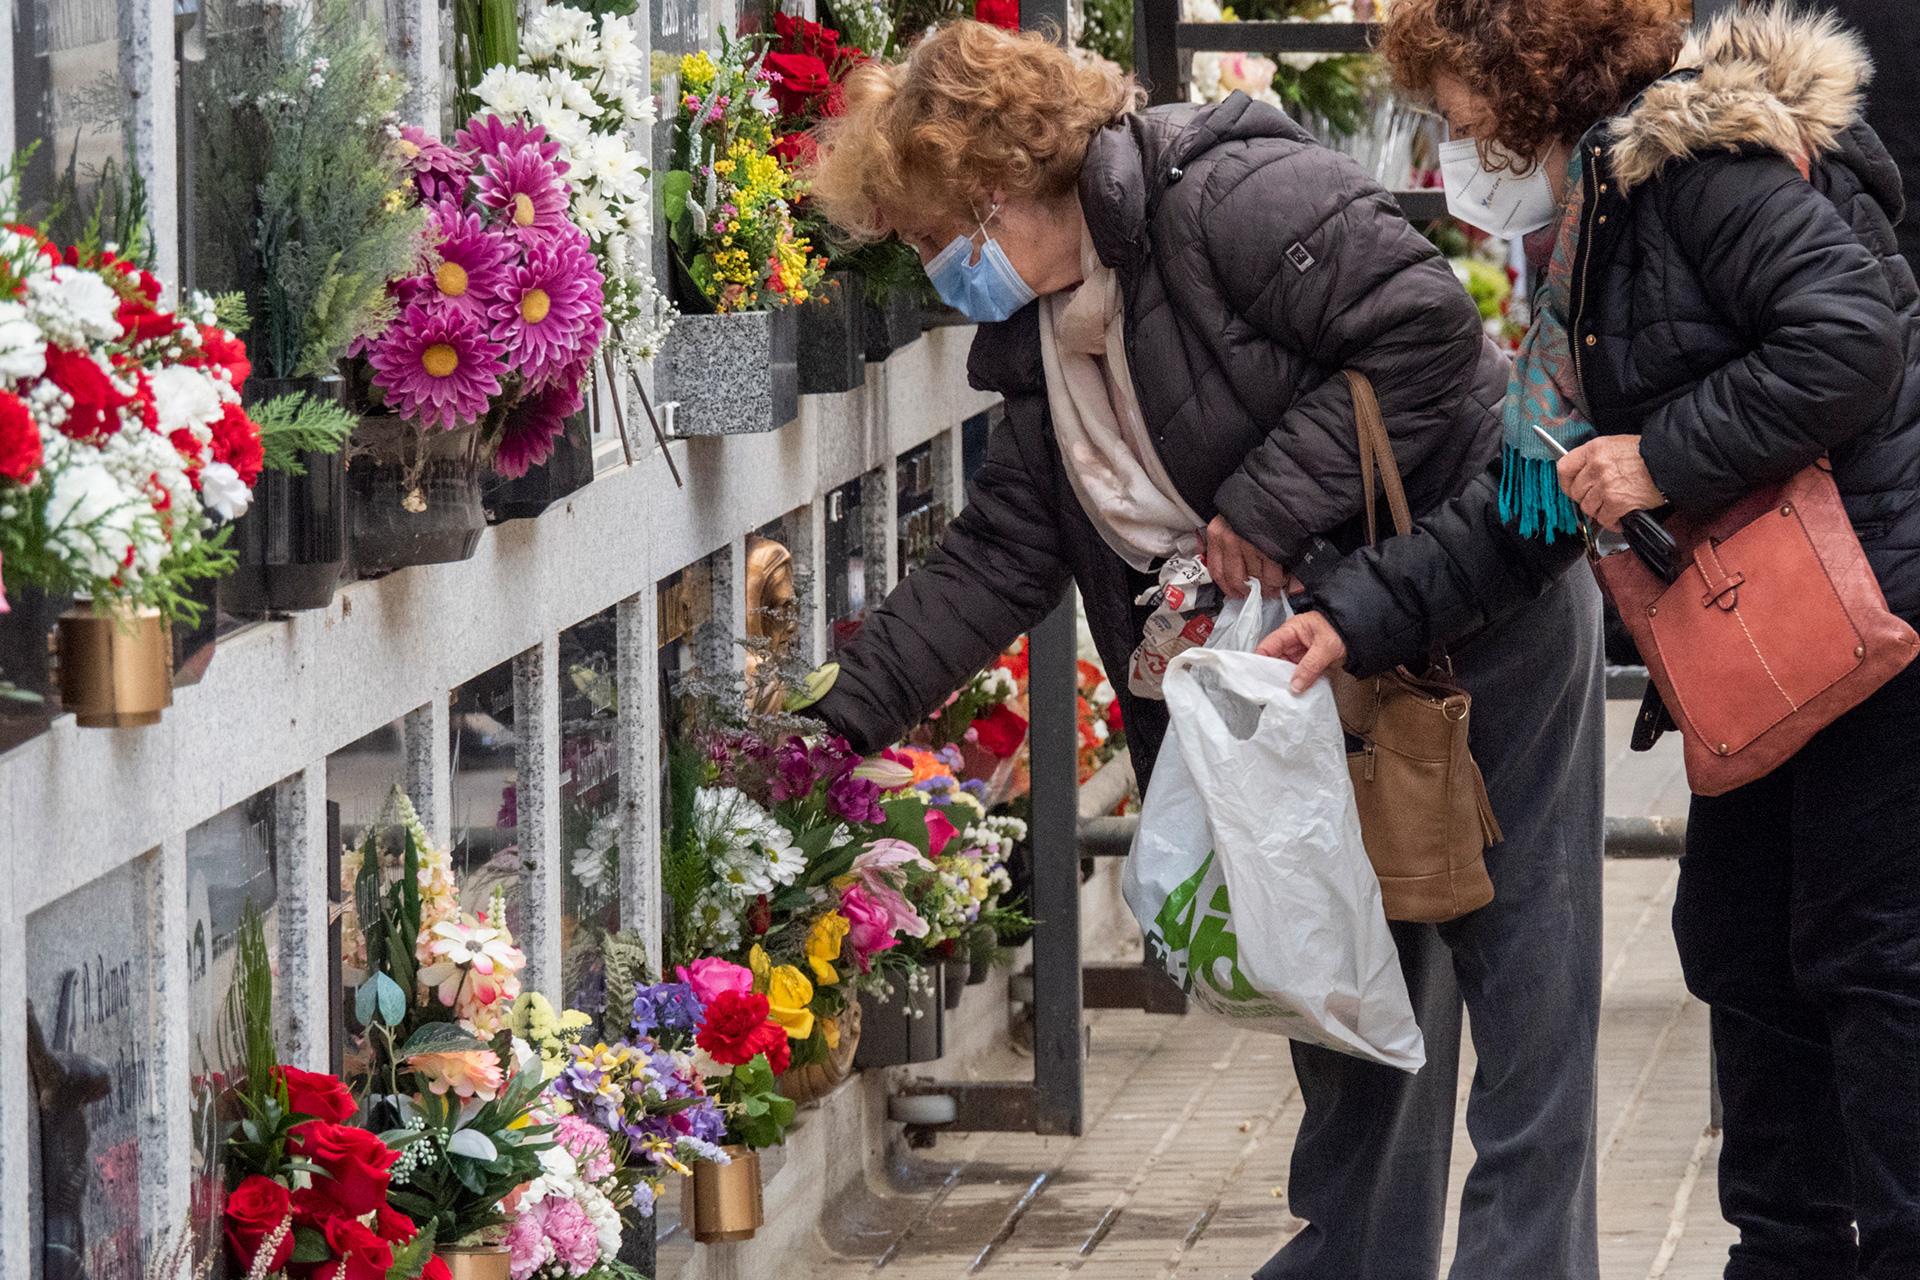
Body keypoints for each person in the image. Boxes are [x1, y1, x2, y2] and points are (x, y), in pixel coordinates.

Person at [804, 21, 1605, 1279]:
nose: (934, 266)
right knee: (1353, 992)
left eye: (929, 233)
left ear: (995, 190)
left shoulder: (1227, 191)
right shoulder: (1047, 352)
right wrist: (836, 723)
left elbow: (1429, 335)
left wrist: (1265, 504)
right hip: (1318, 669)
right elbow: (1000, 554)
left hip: (1475, 607)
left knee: (1526, 991)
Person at [1262, 2, 1920, 1275]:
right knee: (1743, 946)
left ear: (1519, 76)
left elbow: (1849, 339)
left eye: (1453, 99)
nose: (1451, 134)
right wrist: (1346, 620)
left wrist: (1657, 458)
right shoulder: (1603, 234)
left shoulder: (1696, 173)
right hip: (1777, 661)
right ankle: (1786, 1249)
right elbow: (1528, 503)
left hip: (1875, 632)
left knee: (1872, 963)